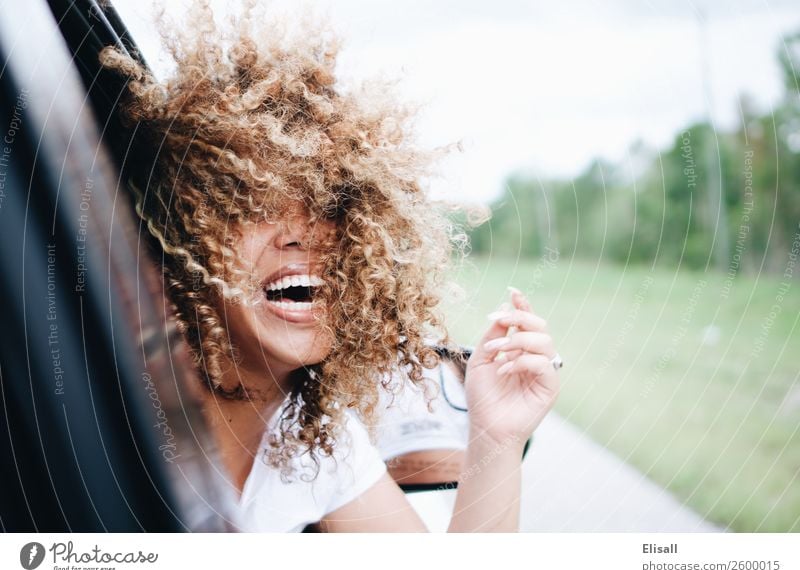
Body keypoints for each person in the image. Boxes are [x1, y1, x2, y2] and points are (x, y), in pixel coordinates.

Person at [100, 0, 561, 532]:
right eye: (253, 203)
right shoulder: (111, 403)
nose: (302, 234)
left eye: (334, 207)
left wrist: (496, 438)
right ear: (181, 233)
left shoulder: (317, 445)